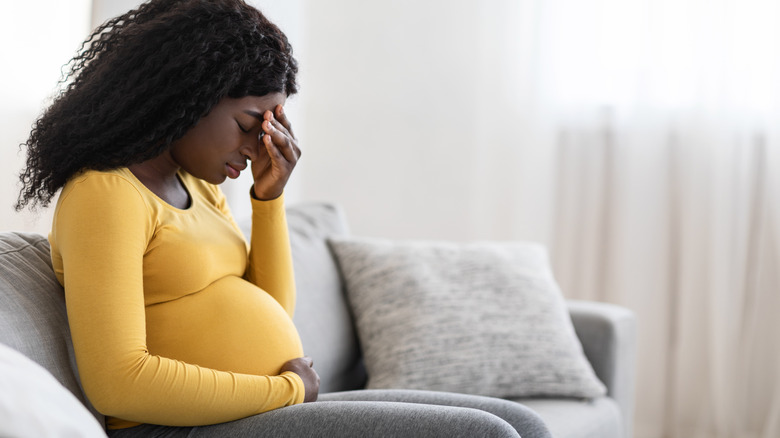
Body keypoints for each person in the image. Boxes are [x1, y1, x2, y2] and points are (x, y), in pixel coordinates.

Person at [16, 1, 551, 437]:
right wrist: (288, 390)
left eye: (270, 126)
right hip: (172, 428)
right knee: (486, 435)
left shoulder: (199, 183)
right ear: (185, 98)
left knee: (521, 422)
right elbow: (118, 383)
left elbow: (275, 313)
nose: (259, 147)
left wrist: (269, 201)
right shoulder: (105, 194)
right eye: (250, 124)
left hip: (259, 412)